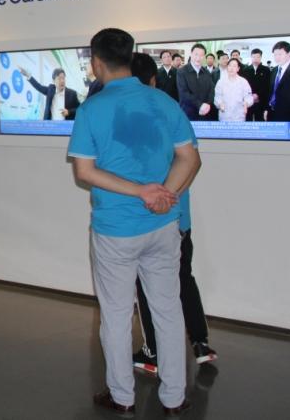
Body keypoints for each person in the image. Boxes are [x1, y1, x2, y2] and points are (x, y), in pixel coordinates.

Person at [68, 28, 200, 417]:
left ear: (96, 62)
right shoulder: (163, 101)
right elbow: (191, 159)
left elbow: (85, 172)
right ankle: (174, 398)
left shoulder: (92, 109)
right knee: (168, 310)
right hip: (163, 226)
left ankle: (122, 396)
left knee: (116, 315)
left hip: (116, 230)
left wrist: (143, 192)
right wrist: (163, 196)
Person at [125, 54, 218, 376]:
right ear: (153, 79)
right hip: (179, 216)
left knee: (147, 287)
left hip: (146, 219)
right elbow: (192, 161)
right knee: (183, 278)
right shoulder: (172, 110)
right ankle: (201, 343)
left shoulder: (126, 116)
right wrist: (172, 196)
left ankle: (152, 352)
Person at [266, 40, 290, 122]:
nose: (277, 57)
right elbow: (272, 92)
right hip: (272, 114)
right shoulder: (274, 70)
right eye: (275, 55)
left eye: (280, 54)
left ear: (289, 54)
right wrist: (267, 109)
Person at [176, 43, 215, 121]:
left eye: (201, 55)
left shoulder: (206, 72)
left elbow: (211, 90)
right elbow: (184, 93)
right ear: (191, 54)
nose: (198, 58)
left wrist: (208, 104)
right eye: (196, 54)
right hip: (188, 113)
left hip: (204, 113)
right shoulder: (182, 72)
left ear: (204, 57)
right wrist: (200, 105)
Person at [214, 58, 254, 122]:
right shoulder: (221, 82)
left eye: (234, 66)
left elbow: (249, 96)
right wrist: (220, 103)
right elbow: (217, 96)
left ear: (238, 69)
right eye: (230, 65)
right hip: (224, 116)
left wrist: (246, 103)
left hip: (239, 116)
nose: (231, 68)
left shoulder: (243, 82)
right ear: (227, 67)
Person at [241, 49, 272, 121]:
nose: (255, 59)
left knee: (260, 120)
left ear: (261, 57)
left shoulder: (266, 70)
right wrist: (251, 96)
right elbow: (244, 86)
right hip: (248, 100)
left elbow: (267, 85)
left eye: (258, 57)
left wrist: (258, 95)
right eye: (254, 57)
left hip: (261, 100)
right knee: (248, 120)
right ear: (251, 57)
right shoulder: (246, 70)